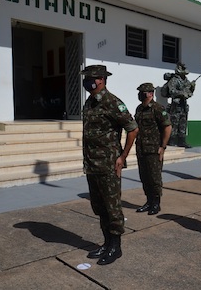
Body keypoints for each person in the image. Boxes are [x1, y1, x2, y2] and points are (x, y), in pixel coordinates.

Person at [81, 65, 138, 265]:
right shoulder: (89, 102)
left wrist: (122, 157)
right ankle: (106, 243)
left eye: (92, 78)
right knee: (99, 207)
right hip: (92, 165)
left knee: (113, 208)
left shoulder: (112, 102)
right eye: (86, 78)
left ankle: (116, 247)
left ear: (102, 80)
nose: (88, 82)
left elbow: (132, 129)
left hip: (108, 165)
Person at [135, 83, 172, 215]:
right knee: (144, 177)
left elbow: (167, 128)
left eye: (143, 92)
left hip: (153, 150)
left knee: (154, 178)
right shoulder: (139, 108)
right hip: (141, 149)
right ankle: (148, 201)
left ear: (150, 93)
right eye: (139, 92)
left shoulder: (157, 108)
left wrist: (162, 147)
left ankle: (156, 203)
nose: (140, 95)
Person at [167, 62, 196, 148]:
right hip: (176, 105)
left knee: (183, 123)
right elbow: (171, 91)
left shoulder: (186, 80)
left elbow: (189, 92)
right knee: (174, 123)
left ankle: (182, 141)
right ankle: (171, 140)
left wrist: (192, 87)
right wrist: (181, 93)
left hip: (183, 105)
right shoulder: (174, 80)